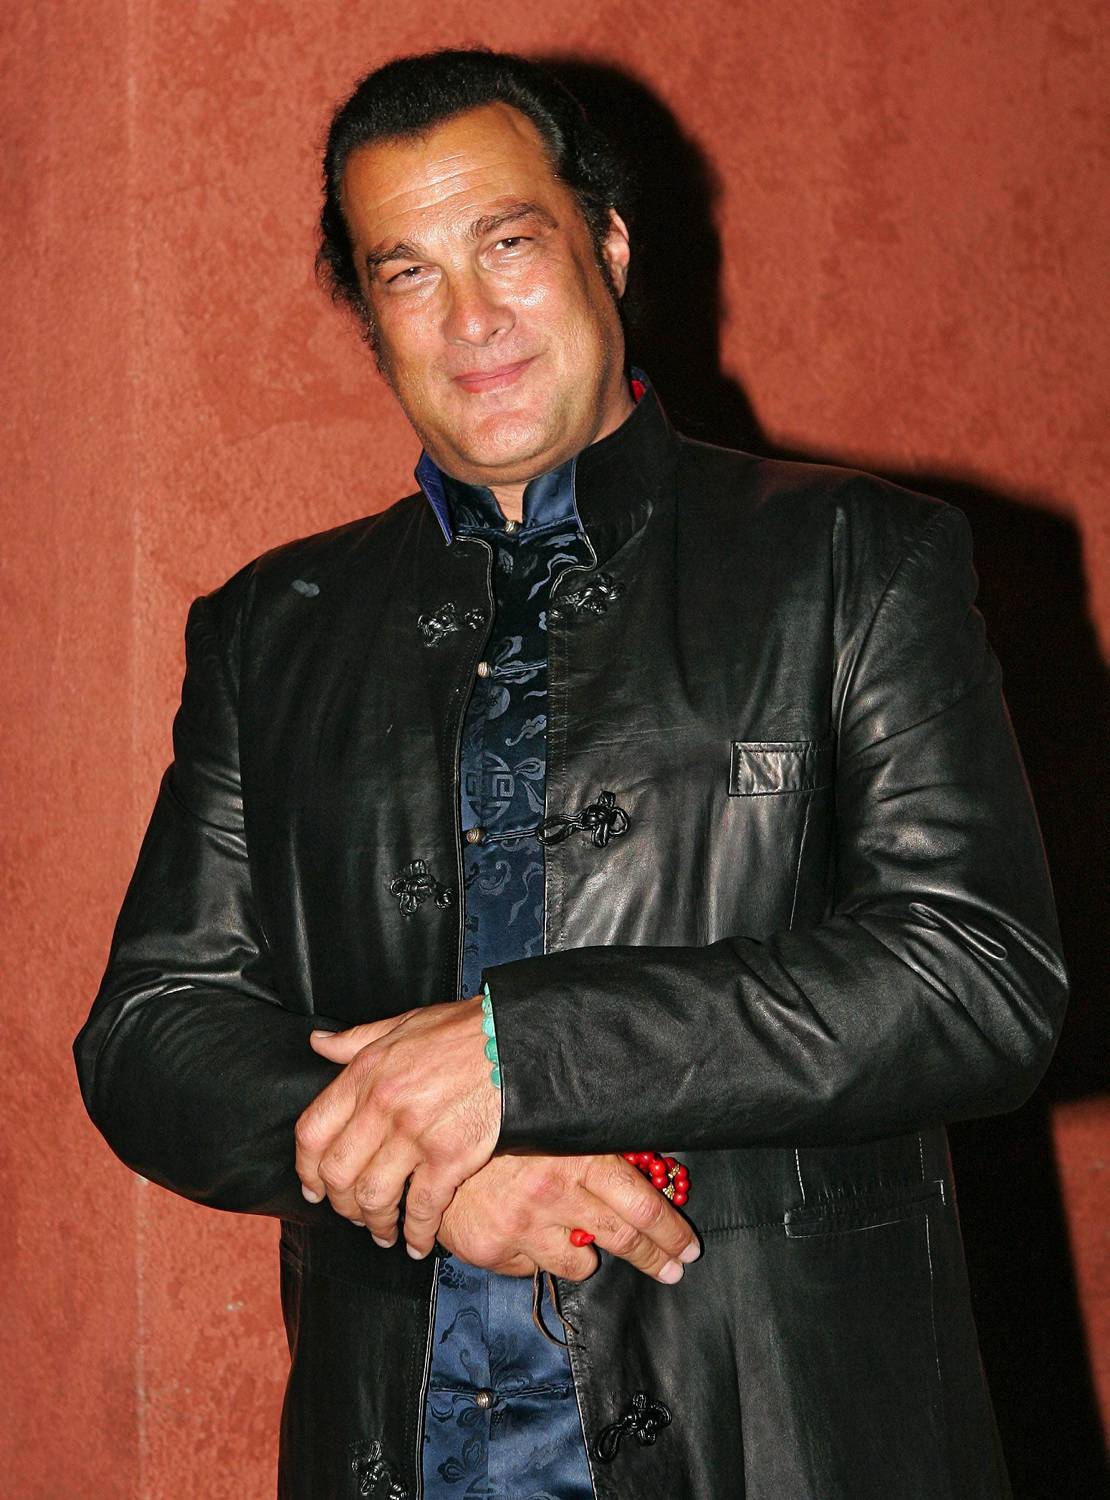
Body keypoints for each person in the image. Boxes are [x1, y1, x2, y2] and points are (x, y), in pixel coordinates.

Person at [74, 48, 1067, 1500]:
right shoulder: (269, 629)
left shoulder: (856, 560)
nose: (469, 318)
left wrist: (516, 1053)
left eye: (508, 244)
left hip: (776, 1444)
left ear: (606, 243)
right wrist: (431, 1177)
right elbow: (149, 1033)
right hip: (402, 1450)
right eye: (407, 273)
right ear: (370, 318)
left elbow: (977, 979)